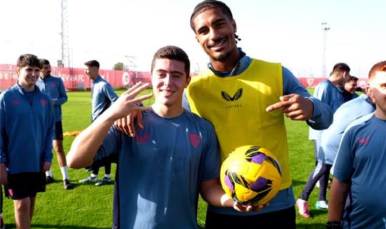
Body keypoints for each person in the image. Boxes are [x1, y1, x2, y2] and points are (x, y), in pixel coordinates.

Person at [115, 1, 333, 228]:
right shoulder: (195, 89)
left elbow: (326, 118)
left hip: (276, 204)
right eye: (203, 31)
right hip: (225, 206)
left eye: (219, 24)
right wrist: (133, 111)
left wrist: (311, 107)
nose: (214, 35)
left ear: (233, 25)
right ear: (197, 40)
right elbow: (168, 115)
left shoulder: (275, 73)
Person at [67, 46, 256, 229]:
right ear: (151, 77)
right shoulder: (128, 123)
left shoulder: (203, 129)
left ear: (187, 81)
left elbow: (208, 187)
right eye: (161, 74)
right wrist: (110, 115)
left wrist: (233, 201)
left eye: (176, 75)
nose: (168, 82)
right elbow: (74, 160)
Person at [297, 88, 375, 218]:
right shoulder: (368, 108)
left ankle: (319, 200)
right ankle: (304, 199)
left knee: (325, 169)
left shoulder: (358, 100)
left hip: (330, 137)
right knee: (336, 173)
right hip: (335, 141)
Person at [327, 60, 386, 229]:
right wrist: (333, 224)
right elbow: (340, 181)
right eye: (384, 86)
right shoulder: (355, 131)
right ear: (370, 92)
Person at [0, 54, 54, 229]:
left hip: (36, 162)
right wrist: (0, 163)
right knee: (21, 204)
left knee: (30, 202)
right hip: (13, 163)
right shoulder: (6, 98)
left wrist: (47, 156)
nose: (33, 73)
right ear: (18, 70)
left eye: (36, 70)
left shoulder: (45, 99)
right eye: (28, 69)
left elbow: (49, 130)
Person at [298, 63, 350, 216]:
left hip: (329, 134)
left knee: (326, 166)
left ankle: (321, 200)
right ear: (344, 73)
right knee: (322, 165)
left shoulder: (334, 88)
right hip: (322, 134)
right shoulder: (324, 86)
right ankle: (303, 198)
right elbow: (317, 112)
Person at [79, 60, 118, 186]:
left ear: (95, 70)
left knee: (103, 148)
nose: (85, 72)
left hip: (102, 124)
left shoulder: (103, 85)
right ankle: (94, 175)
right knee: (96, 148)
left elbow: (116, 100)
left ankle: (107, 176)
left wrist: (105, 116)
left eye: (87, 70)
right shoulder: (94, 84)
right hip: (95, 122)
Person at [38, 59, 73, 190]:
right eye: (46, 67)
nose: (49, 69)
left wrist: (55, 102)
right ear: (40, 68)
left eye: (49, 66)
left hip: (55, 119)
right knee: (42, 148)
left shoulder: (57, 81)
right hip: (40, 120)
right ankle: (49, 175)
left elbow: (65, 97)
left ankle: (66, 178)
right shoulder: (36, 82)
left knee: (58, 148)